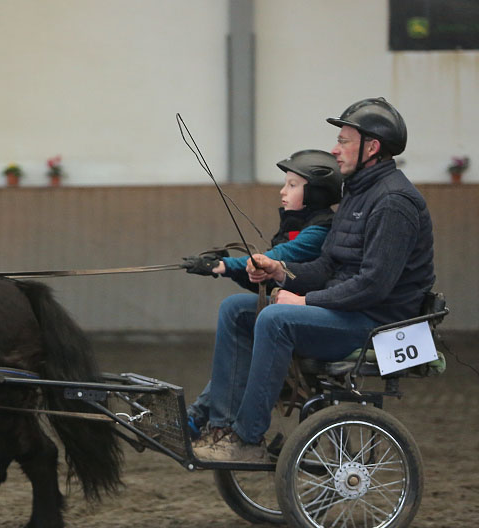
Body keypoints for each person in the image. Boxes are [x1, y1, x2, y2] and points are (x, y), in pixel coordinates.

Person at [192, 97, 435, 462]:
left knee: (276, 319)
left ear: (372, 147)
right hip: (349, 311)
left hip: (378, 322)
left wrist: (305, 302)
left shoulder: (393, 202)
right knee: (237, 309)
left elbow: (374, 286)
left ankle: (247, 438)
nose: (335, 150)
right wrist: (281, 273)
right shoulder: (358, 193)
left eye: (344, 141)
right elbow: (326, 267)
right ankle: (221, 428)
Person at [182, 150, 342, 437]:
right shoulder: (298, 226)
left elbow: (281, 256)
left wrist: (221, 265)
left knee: (242, 319)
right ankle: (202, 417)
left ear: (315, 193)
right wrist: (231, 268)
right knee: (237, 312)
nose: (283, 191)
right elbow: (266, 283)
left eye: (292, 185)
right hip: (295, 308)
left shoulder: (319, 231)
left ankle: (218, 424)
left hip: (311, 317)